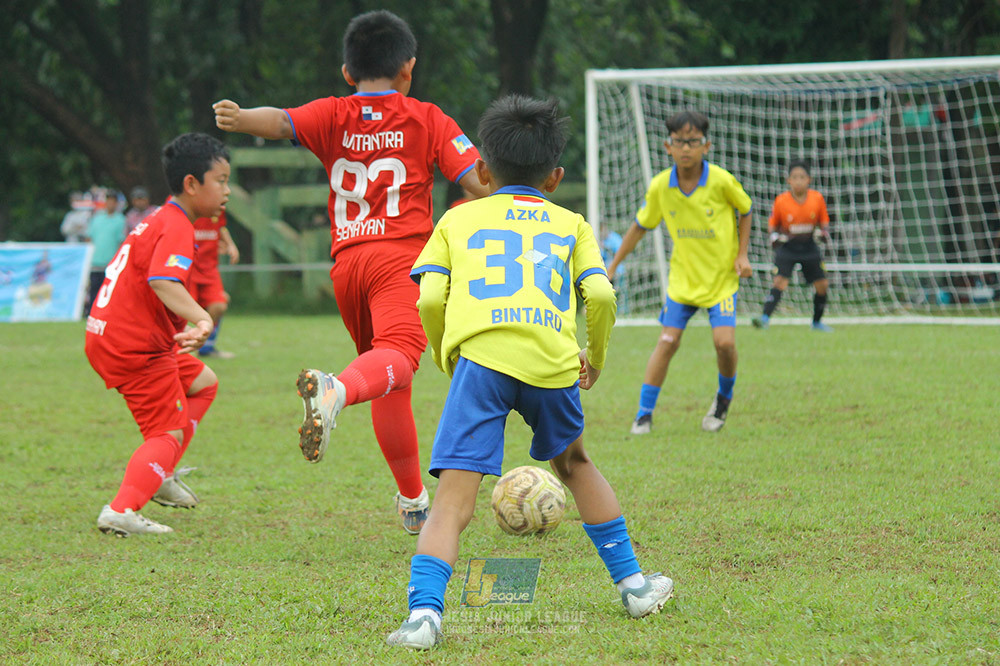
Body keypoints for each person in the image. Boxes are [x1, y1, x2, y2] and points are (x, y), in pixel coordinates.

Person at [387, 96, 674, 651]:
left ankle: (423, 617)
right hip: (551, 361)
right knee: (576, 464)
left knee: (451, 500)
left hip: (482, 362)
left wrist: (448, 353)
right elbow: (601, 295)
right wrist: (595, 357)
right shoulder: (571, 224)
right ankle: (635, 587)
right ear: (555, 177)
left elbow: (428, 298)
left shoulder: (456, 218)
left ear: (483, 171)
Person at [213, 9, 488, 534]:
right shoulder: (427, 118)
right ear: (408, 68)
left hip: (347, 267)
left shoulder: (332, 113)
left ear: (347, 72)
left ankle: (413, 500)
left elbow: (281, 122)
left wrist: (241, 116)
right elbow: (476, 182)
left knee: (387, 376)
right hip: (400, 261)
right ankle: (334, 390)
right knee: (399, 358)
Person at [85, 132, 229, 537]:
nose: (227, 191)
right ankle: (122, 510)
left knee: (203, 383)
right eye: (220, 180)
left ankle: (160, 472)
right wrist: (202, 320)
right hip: (134, 344)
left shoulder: (160, 217)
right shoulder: (176, 225)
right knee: (167, 431)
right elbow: (163, 281)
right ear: (191, 184)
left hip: (112, 334)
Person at [606, 110, 753, 436]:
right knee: (668, 340)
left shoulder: (721, 181)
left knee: (724, 343)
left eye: (693, 141)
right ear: (668, 146)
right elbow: (639, 227)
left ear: (706, 146)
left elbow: (746, 209)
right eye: (679, 142)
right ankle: (643, 414)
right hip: (683, 282)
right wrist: (612, 266)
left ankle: (723, 400)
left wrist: (741, 254)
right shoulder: (661, 186)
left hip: (720, 281)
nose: (686, 148)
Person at [752, 159, 833, 332]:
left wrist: (823, 233)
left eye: (802, 177)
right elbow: (772, 225)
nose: (798, 181)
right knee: (779, 282)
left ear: (809, 179)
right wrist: (774, 236)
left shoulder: (817, 198)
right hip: (788, 247)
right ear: (788, 180)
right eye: (794, 177)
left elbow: (824, 224)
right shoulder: (781, 200)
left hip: (809, 246)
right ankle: (764, 318)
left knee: (822, 284)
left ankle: (816, 322)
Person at [189, 210, 240, 358]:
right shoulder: (185, 203)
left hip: (209, 268)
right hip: (188, 267)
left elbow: (221, 227)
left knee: (219, 305)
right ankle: (172, 349)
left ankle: (206, 348)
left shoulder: (218, 207)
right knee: (182, 309)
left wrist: (230, 245)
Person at [85, 192, 126, 309]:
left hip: (110, 262)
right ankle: (91, 312)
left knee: (108, 290)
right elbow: (89, 238)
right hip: (95, 261)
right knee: (94, 289)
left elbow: (121, 241)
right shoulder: (97, 218)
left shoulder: (120, 220)